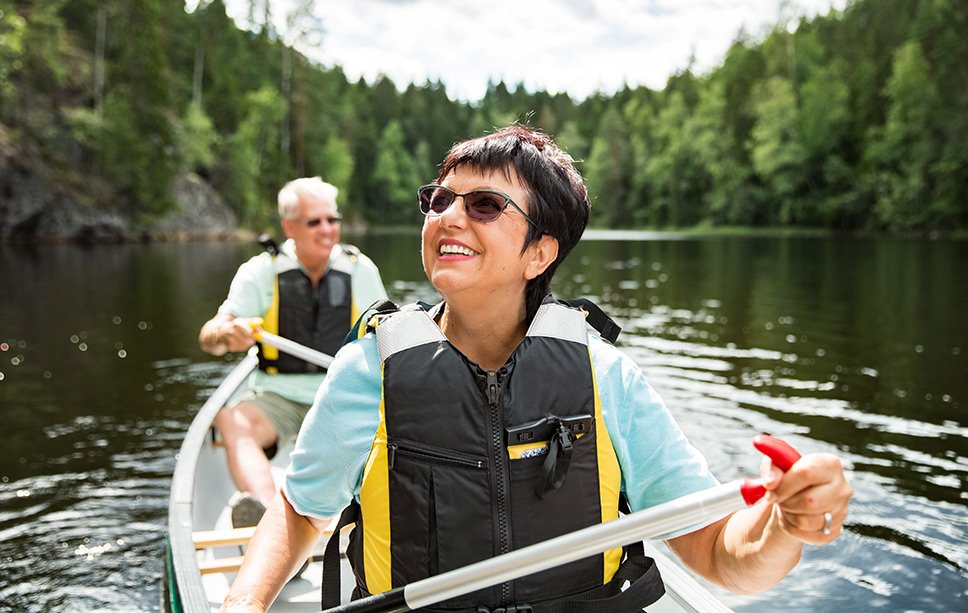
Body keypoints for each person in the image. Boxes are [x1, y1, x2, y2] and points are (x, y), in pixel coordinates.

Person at [219, 126, 852, 612]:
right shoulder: (367, 371)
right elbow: (302, 513)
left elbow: (720, 553)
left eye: (486, 205)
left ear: (539, 252)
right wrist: (244, 602)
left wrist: (782, 525)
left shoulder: (606, 378)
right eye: (439, 199)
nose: (448, 215)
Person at [199, 176, 387, 528]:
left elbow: (387, 336)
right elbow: (210, 335)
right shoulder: (260, 271)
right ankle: (269, 520)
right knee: (230, 420)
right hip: (280, 398)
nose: (327, 230)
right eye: (314, 221)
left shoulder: (360, 270)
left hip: (343, 394)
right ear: (289, 226)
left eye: (333, 219)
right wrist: (227, 332)